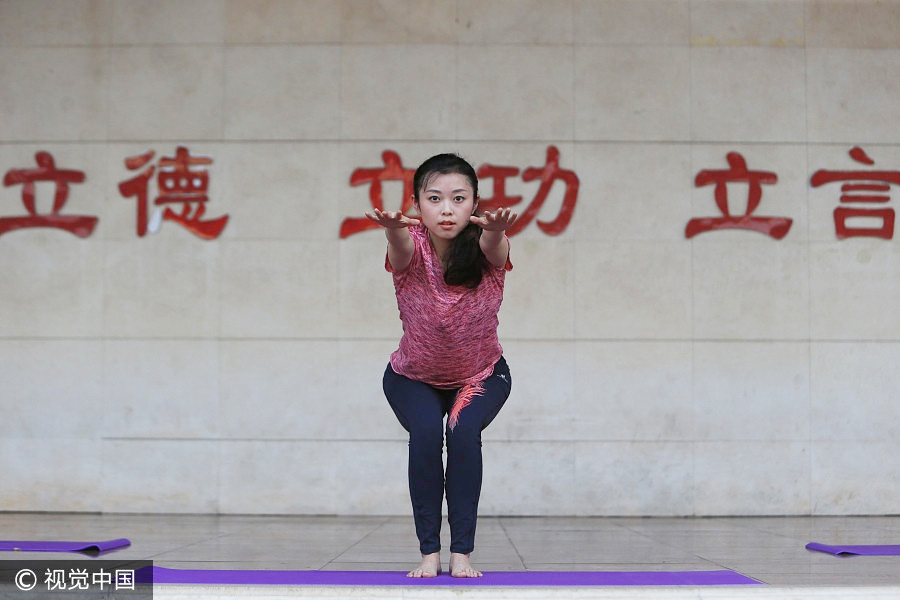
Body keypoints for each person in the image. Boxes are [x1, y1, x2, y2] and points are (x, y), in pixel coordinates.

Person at [365, 153, 518, 578]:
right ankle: (429, 552)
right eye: (434, 198)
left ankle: (462, 553)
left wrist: (499, 231)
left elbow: (494, 247)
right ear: (417, 204)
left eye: (458, 198)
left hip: (482, 375)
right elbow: (397, 251)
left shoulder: (486, 244)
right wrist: (394, 230)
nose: (447, 209)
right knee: (428, 434)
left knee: (462, 431)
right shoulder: (409, 246)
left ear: (473, 204)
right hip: (412, 378)